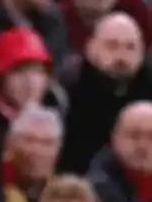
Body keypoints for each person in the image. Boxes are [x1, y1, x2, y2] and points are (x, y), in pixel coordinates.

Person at [61, 13, 152, 174]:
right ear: (90, 48)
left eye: (130, 47)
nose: (121, 56)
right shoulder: (69, 90)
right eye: (112, 46)